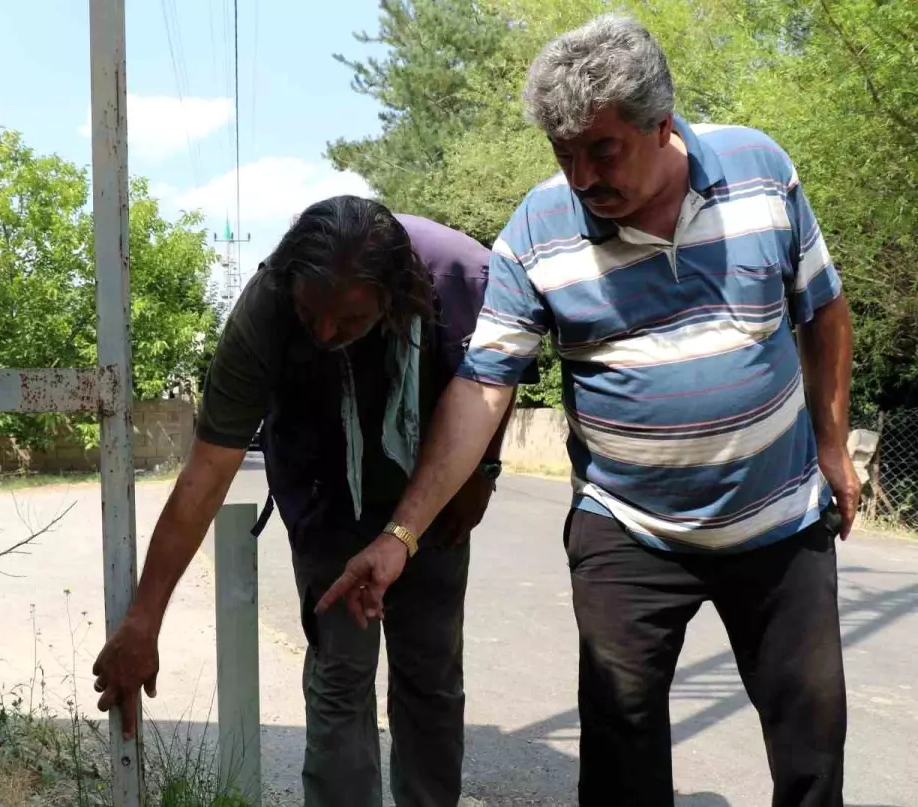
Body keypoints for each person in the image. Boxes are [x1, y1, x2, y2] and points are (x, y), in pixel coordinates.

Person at [318, 15, 857, 807]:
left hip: (777, 520)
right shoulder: (538, 229)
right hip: (628, 531)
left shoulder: (760, 170)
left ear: (662, 123)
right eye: (562, 153)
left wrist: (833, 444)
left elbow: (825, 309)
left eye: (600, 150)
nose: (579, 176)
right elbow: (482, 387)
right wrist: (402, 534)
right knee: (619, 765)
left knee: (813, 753)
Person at [91, 195, 516, 807]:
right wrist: (143, 619)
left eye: (346, 320)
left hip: (435, 495)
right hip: (326, 498)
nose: (323, 333)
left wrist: (484, 473)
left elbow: (491, 392)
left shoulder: (462, 279)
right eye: (309, 313)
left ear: (393, 296)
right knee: (341, 672)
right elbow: (206, 473)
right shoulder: (265, 310)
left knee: (430, 675)